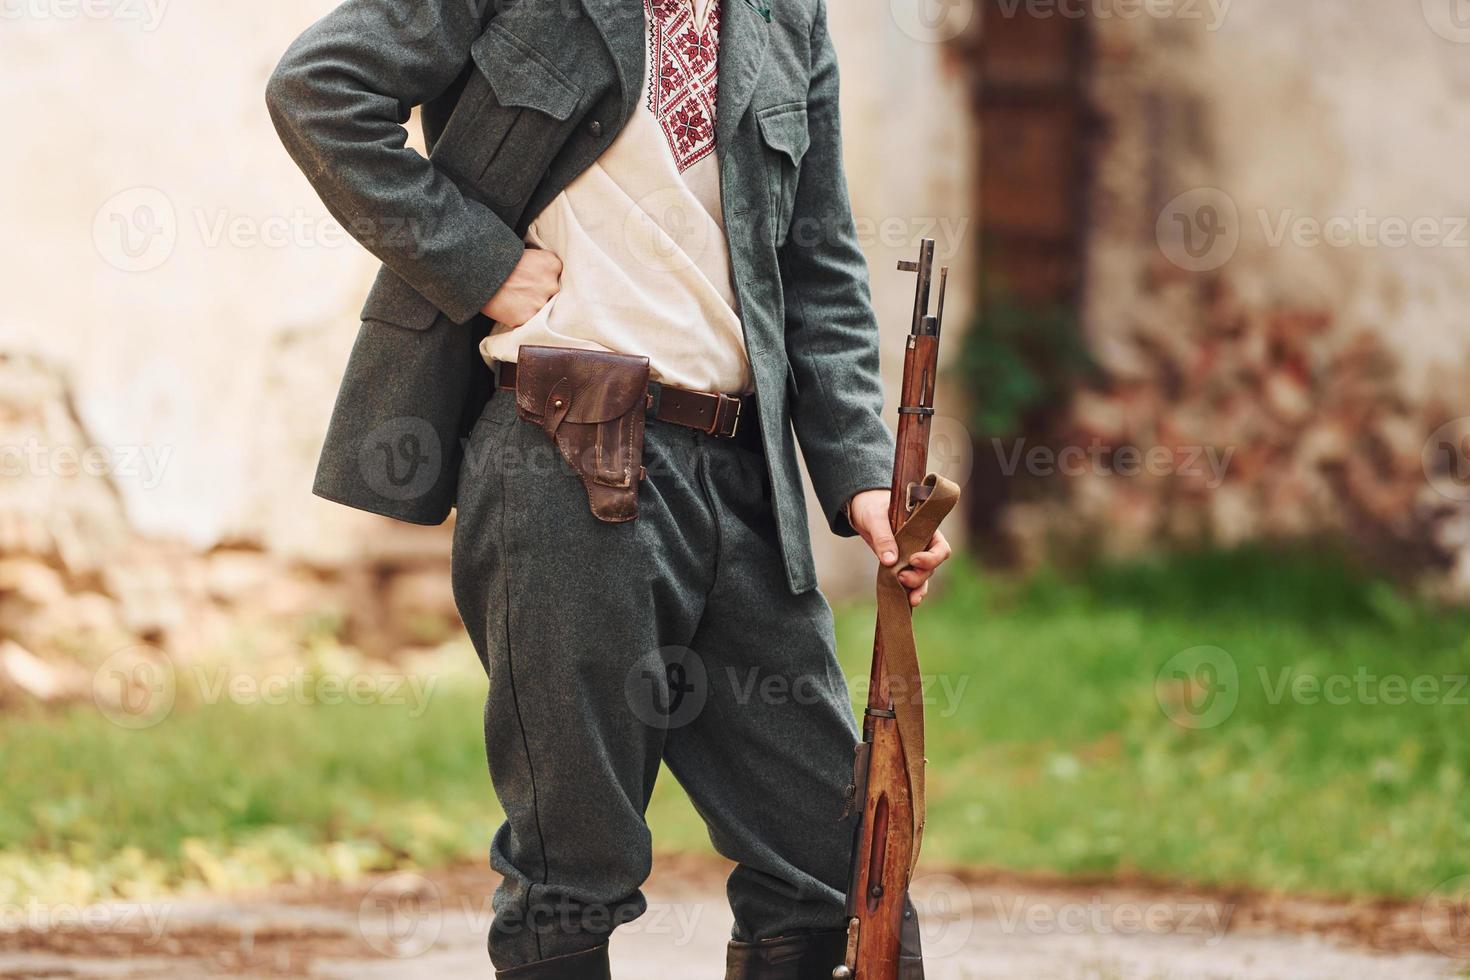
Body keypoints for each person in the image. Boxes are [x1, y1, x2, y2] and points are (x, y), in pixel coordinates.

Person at [266, 0, 951, 975]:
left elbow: (819, 260)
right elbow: (318, 91)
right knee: (571, 871)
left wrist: (859, 475)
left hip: (743, 473)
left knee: (835, 866)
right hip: (561, 449)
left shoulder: (787, 16)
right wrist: (482, 262)